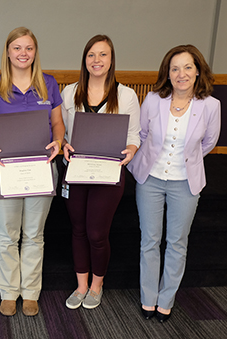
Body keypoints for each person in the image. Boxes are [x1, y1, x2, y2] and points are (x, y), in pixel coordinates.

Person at [127, 45, 221, 323]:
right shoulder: (154, 100)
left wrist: (186, 160)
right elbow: (142, 134)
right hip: (151, 180)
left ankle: (166, 299)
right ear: (167, 74)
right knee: (150, 240)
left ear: (198, 71)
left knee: (177, 242)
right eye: (175, 68)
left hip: (185, 183)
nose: (181, 74)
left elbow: (208, 143)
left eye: (188, 67)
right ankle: (148, 298)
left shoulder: (211, 106)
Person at [0, 27, 64, 317]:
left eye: (28, 48)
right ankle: (8, 291)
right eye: (17, 48)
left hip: (41, 167)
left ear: (35, 52)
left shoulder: (48, 84)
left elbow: (58, 124)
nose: (23, 53)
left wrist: (59, 141)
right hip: (6, 169)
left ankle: (30, 292)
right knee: (7, 235)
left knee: (34, 235)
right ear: (8, 52)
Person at [61, 34, 140, 310]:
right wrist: (63, 144)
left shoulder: (127, 95)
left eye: (103, 54)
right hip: (77, 171)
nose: (97, 60)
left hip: (109, 173)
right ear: (85, 59)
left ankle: (97, 285)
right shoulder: (69, 93)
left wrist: (130, 150)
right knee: (78, 230)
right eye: (92, 55)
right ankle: (81, 285)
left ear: (111, 59)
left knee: (96, 232)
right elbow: (62, 133)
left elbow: (134, 136)